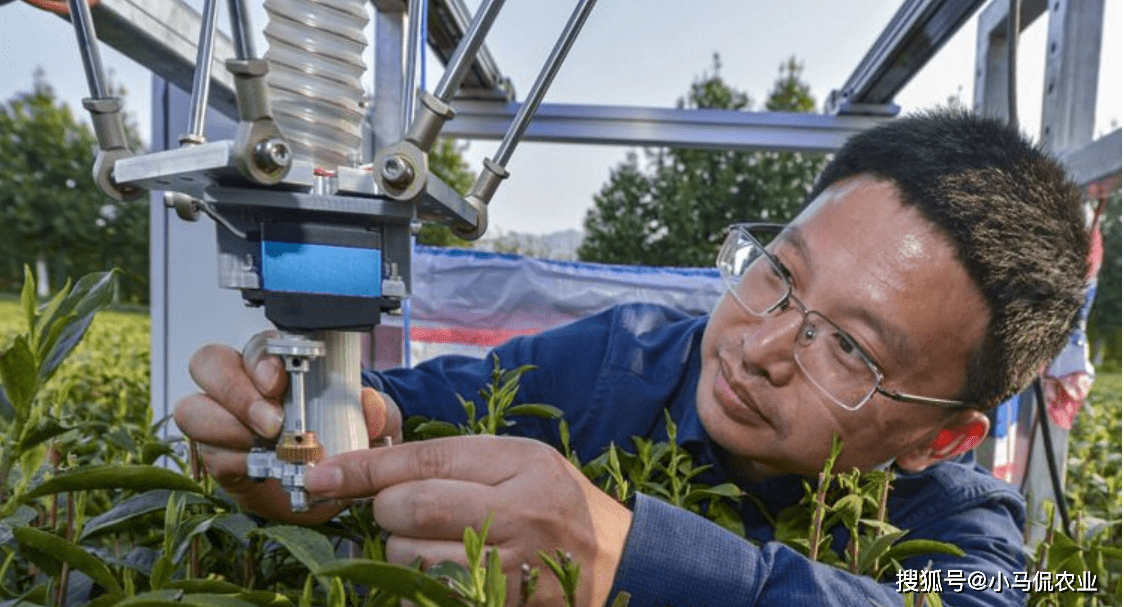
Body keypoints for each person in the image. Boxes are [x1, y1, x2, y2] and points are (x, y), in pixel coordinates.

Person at [176, 109, 1090, 607]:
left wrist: (633, 561)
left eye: (848, 347)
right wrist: (296, 425)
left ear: (942, 438)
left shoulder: (955, 526)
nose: (759, 343)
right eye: (777, 272)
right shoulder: (623, 362)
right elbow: (398, 405)